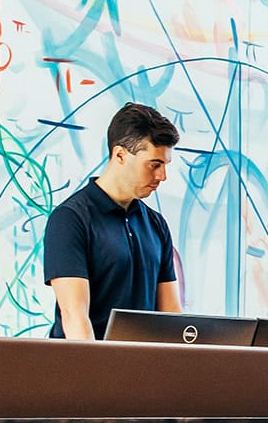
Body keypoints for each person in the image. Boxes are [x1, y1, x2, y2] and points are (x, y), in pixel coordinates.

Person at [45, 102, 183, 340]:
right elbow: (75, 317)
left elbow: (171, 315)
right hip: (84, 371)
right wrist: (99, 375)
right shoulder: (70, 219)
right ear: (120, 154)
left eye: (165, 165)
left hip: (142, 370)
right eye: (154, 165)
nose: (162, 176)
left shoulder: (156, 224)